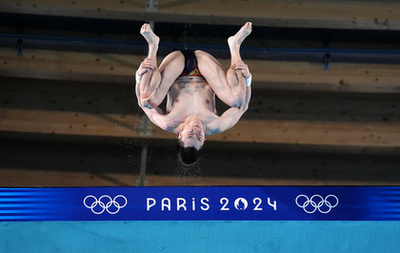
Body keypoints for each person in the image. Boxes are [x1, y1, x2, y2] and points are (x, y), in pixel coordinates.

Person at [135, 22, 252, 165]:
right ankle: (235, 45)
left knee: (147, 101)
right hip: (205, 70)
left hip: (177, 68)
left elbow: (142, 104)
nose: (196, 131)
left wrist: (139, 76)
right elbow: (243, 107)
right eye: (199, 136)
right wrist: (247, 79)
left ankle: (152, 46)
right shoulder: (216, 125)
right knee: (238, 100)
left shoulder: (168, 122)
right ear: (204, 139)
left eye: (190, 134)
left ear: (180, 135)